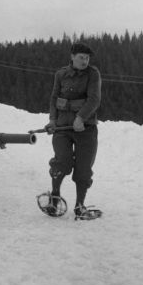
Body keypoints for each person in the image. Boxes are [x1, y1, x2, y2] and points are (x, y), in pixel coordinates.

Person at [42, 42, 102, 220]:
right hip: (62, 128)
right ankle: (54, 198)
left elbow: (94, 99)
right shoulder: (61, 74)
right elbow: (54, 98)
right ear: (72, 57)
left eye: (87, 58)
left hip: (86, 129)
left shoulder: (93, 74)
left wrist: (81, 117)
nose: (85, 61)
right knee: (62, 162)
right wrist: (52, 120)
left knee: (83, 169)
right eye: (81, 57)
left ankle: (79, 206)